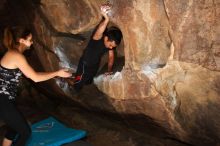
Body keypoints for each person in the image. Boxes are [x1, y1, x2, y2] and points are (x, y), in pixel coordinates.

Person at [0, 26, 72, 146]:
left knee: (14, 128)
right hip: (2, 100)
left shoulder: (14, 54)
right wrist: (57, 73)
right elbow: (35, 78)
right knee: (25, 132)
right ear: (22, 40)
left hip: (6, 99)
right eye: (30, 39)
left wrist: (55, 74)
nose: (32, 42)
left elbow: (33, 74)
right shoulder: (16, 56)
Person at [73, 4, 123, 91]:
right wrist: (106, 19)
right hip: (85, 63)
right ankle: (71, 82)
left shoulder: (110, 44)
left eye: (113, 46)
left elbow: (111, 57)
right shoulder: (97, 38)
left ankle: (80, 79)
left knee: (88, 80)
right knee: (78, 83)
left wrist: (109, 70)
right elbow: (100, 28)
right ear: (106, 38)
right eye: (111, 45)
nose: (111, 47)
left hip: (95, 63)